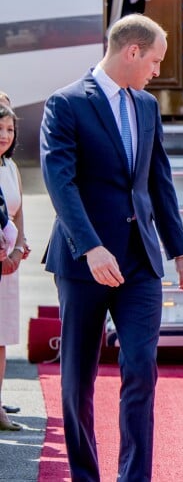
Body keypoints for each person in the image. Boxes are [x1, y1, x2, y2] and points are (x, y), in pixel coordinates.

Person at [40, 13, 183, 481]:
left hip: (140, 261)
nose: (156, 70)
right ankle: (85, 475)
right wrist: (90, 247)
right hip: (83, 261)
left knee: (141, 370)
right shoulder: (65, 103)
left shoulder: (146, 107)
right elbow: (59, 183)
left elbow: (159, 182)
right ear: (132, 51)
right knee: (77, 379)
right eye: (154, 60)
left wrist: (180, 251)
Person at [0, 103, 29, 431]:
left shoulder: (11, 167)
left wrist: (18, 249)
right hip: (0, 261)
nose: (5, 136)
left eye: (9, 130)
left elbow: (18, 212)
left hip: (10, 267)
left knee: (2, 336)